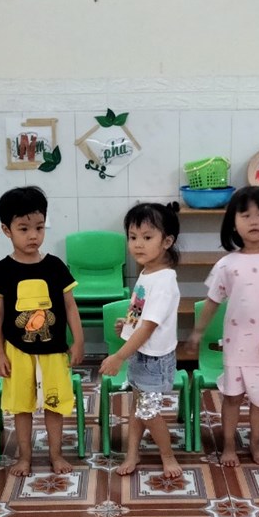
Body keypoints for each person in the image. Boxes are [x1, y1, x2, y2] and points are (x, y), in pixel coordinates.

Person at [186, 186, 259, 466]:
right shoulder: (227, 263)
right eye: (245, 215)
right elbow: (212, 301)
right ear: (233, 223)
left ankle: (256, 445)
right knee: (232, 398)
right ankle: (228, 445)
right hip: (236, 346)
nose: (254, 221)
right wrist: (198, 332)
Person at [0, 186, 83, 476]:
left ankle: (56, 455)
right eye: (23, 228)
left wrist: (78, 340)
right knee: (22, 407)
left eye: (39, 227)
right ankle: (24, 457)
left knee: (55, 404)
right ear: (7, 230)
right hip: (17, 351)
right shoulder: (1, 270)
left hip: (54, 351)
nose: (33, 235)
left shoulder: (55, 266)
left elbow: (70, 306)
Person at [98, 202, 182, 477]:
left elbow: (148, 327)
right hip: (141, 354)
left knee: (148, 412)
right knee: (138, 407)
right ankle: (132, 453)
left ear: (167, 241)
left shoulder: (164, 281)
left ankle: (168, 456)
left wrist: (119, 355)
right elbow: (139, 312)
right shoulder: (147, 273)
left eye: (147, 237)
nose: (137, 244)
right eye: (133, 237)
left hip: (154, 360)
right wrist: (126, 325)